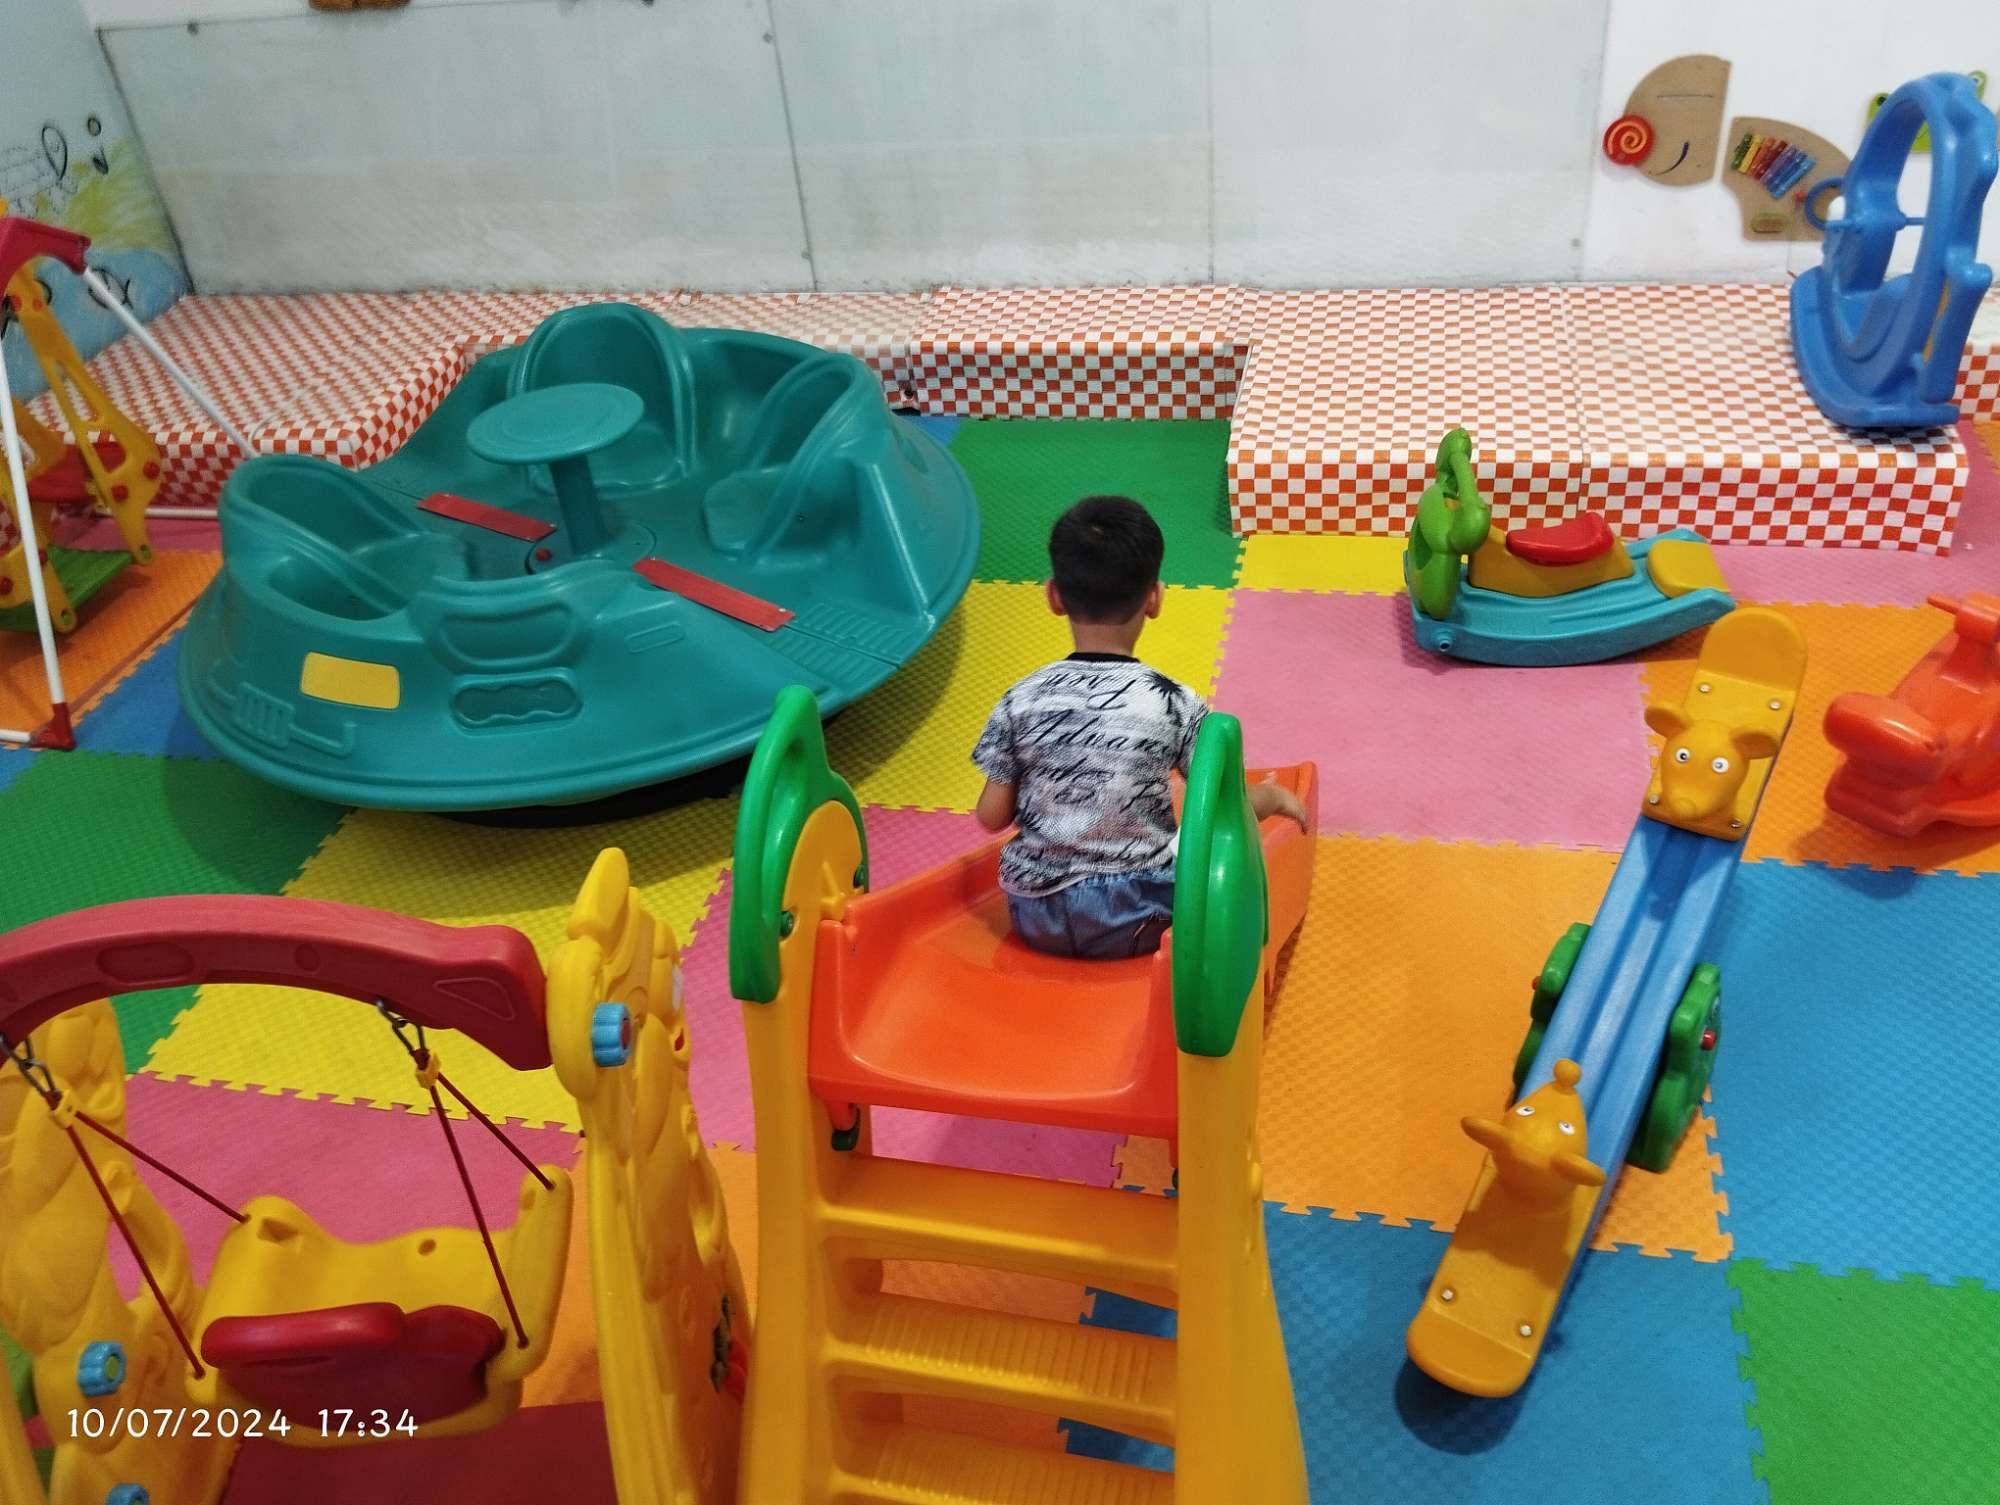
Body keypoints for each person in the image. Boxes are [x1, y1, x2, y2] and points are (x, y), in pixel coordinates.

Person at [971, 494, 1309, 960]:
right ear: (1155, 598)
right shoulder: (1174, 702)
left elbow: (991, 816)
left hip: (1034, 917)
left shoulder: (1020, 698)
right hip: (1139, 918)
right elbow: (1222, 809)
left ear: (1053, 597)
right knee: (1210, 843)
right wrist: (1273, 798)